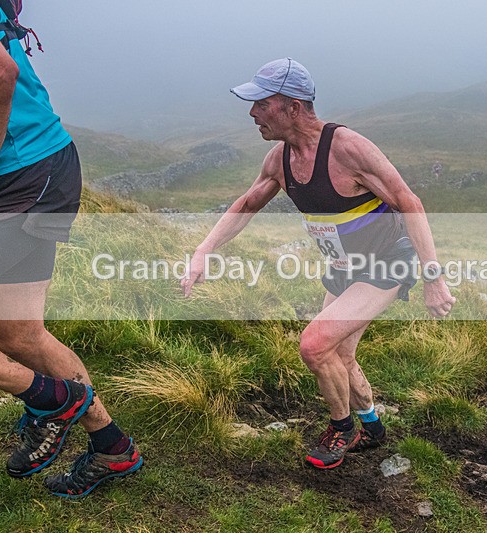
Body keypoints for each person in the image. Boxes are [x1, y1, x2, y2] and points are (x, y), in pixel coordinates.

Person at [182, 58, 455, 469]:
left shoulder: (348, 149)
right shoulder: (279, 159)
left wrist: (433, 277)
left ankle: (342, 428)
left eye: (261, 102)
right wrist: (204, 250)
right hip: (343, 268)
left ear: (293, 107)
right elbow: (247, 203)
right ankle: (372, 427)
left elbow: (409, 202)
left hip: (386, 263)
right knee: (340, 354)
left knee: (313, 344)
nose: (252, 112)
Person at [0, 0, 141, 498]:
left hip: (14, 177)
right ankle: (113, 448)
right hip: (37, 166)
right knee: (18, 334)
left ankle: (52, 399)